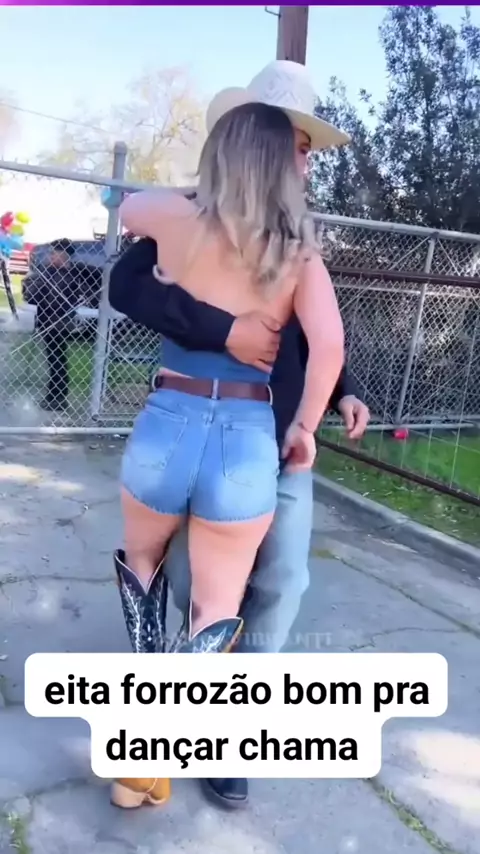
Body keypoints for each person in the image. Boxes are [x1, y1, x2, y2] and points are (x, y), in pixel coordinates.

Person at [108, 60, 370, 810]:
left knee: (146, 568)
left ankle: (144, 753)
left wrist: (192, 205)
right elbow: (328, 345)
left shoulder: (177, 220)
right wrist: (306, 427)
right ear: (283, 157)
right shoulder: (299, 247)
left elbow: (130, 210)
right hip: (254, 435)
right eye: (297, 148)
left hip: (169, 418)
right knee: (216, 606)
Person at [23, 238, 79, 411]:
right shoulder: (49, 272)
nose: (50, 256)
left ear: (63, 256)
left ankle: (57, 397)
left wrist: (35, 286)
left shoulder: (65, 275)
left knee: (57, 359)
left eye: (54, 254)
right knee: (54, 358)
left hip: (57, 323)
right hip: (48, 320)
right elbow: (32, 296)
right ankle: (54, 395)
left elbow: (48, 299)